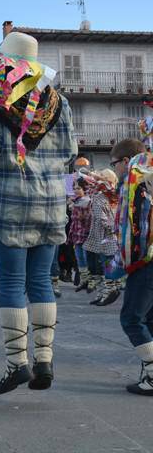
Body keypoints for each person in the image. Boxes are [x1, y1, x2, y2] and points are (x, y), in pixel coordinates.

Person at [0, 31, 77, 394]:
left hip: (10, 203)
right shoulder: (59, 101)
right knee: (40, 282)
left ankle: (16, 363)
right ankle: (44, 360)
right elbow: (70, 151)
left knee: (11, 284)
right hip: (52, 205)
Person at [111, 138, 153, 395]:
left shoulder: (137, 181)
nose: (114, 168)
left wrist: (128, 259)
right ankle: (148, 373)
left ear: (126, 161)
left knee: (131, 318)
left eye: (114, 163)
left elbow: (135, 227)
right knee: (148, 317)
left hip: (145, 258)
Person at [83, 169, 120, 307]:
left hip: (106, 236)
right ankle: (104, 292)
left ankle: (108, 292)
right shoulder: (108, 196)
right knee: (100, 265)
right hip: (106, 235)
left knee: (105, 265)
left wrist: (113, 228)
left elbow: (103, 218)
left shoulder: (106, 197)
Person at [68, 178, 92, 292]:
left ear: (85, 189)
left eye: (78, 188)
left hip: (85, 234)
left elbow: (86, 220)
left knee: (86, 258)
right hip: (76, 235)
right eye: (74, 188)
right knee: (80, 259)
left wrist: (74, 207)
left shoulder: (87, 201)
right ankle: (84, 280)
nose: (76, 190)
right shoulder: (75, 201)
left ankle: (90, 281)